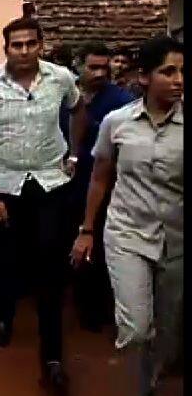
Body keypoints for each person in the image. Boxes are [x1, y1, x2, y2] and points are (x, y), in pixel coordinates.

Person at [71, 36, 183, 396]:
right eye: (168, 71)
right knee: (136, 329)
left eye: (181, 72)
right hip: (127, 235)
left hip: (176, 240)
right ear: (144, 77)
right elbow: (100, 177)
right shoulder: (117, 122)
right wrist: (85, 231)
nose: (177, 80)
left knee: (168, 338)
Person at [0, 17, 85, 396]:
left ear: (41, 45)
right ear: (6, 48)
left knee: (50, 262)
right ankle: (4, 314)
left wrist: (75, 152)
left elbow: (79, 110)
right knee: (8, 260)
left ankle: (51, 358)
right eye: (17, 45)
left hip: (51, 181)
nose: (25, 50)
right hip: (5, 185)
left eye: (31, 43)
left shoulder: (61, 79)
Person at [67, 42, 137, 333]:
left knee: (100, 245)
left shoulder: (120, 101)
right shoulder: (65, 94)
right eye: (92, 67)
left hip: (105, 184)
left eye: (104, 68)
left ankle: (101, 310)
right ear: (78, 64)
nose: (99, 73)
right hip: (66, 182)